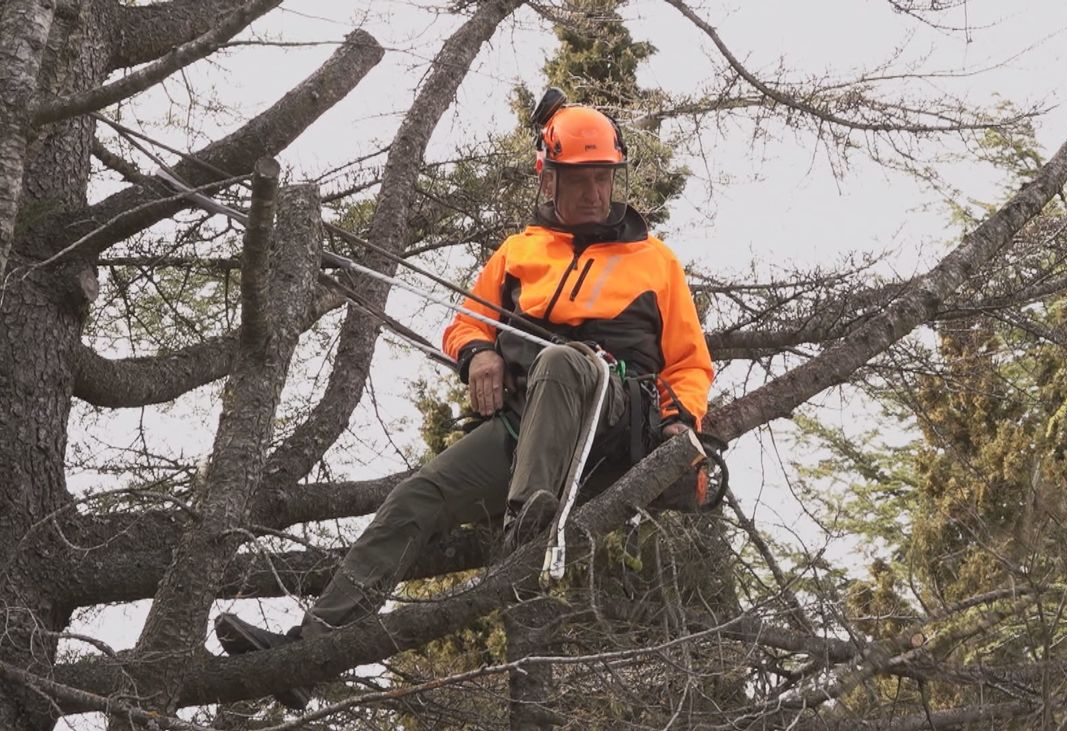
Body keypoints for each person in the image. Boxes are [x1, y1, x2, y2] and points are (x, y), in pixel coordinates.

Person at [213, 89, 714, 710]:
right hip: (527, 422)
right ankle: (310, 652)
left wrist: (678, 426)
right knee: (415, 499)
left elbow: (690, 364)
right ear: (550, 179)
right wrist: (479, 354)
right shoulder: (519, 253)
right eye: (580, 179)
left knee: (561, 359)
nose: (594, 193)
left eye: (603, 178)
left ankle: (527, 522)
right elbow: (466, 323)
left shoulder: (655, 261)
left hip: (612, 416)